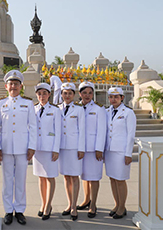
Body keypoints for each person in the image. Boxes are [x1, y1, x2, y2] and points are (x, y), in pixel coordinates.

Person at [0, 70, 37, 226]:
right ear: (6, 86)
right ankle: (8, 211)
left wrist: (32, 146)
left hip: (22, 148)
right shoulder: (0, 104)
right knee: (6, 181)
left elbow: (33, 126)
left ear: (21, 86)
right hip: (5, 148)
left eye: (16, 84)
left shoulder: (28, 103)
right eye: (11, 84)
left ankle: (19, 210)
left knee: (20, 180)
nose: (13, 86)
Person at [104, 87, 136, 219]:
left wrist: (128, 153)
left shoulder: (128, 113)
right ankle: (117, 204)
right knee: (112, 178)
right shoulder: (106, 112)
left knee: (120, 180)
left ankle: (122, 207)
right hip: (110, 151)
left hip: (121, 152)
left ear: (122, 98)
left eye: (116, 97)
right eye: (111, 97)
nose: (113, 99)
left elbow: (131, 135)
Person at [76, 81, 107, 218]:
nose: (87, 95)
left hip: (94, 148)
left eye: (90, 93)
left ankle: (93, 204)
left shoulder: (99, 109)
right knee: (84, 176)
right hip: (80, 148)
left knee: (93, 177)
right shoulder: (76, 108)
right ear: (79, 94)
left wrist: (99, 148)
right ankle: (86, 200)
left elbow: (102, 130)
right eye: (84, 92)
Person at [33, 82, 61, 221]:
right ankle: (43, 203)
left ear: (49, 95)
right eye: (39, 94)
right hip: (38, 149)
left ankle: (48, 205)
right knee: (41, 177)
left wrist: (56, 149)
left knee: (50, 177)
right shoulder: (33, 109)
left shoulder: (55, 110)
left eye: (44, 93)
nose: (42, 96)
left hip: (50, 149)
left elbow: (58, 131)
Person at [58, 82, 85, 221]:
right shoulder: (57, 109)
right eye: (64, 93)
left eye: (69, 93)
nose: (67, 96)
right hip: (62, 148)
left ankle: (74, 206)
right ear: (61, 94)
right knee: (66, 177)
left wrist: (81, 148)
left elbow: (82, 130)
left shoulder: (79, 110)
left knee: (74, 177)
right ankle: (69, 204)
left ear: (74, 95)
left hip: (74, 148)